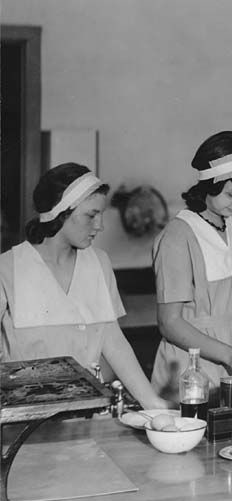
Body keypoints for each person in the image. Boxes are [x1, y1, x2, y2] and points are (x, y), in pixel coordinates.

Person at [0, 163, 167, 410]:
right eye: (91, 215)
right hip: (24, 419)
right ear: (60, 213)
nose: (100, 225)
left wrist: (153, 403)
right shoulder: (8, 267)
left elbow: (113, 341)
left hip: (86, 411)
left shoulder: (98, 262)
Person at [151, 131, 232, 401]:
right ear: (208, 187)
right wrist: (229, 354)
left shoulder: (230, 225)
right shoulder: (178, 236)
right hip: (190, 366)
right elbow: (170, 323)